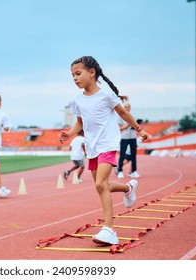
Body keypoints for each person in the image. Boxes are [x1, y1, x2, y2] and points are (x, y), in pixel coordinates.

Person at [59, 56, 149, 245]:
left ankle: (109, 230)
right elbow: (79, 123)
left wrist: (139, 129)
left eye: (78, 73)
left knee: (101, 184)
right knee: (103, 186)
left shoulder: (107, 96)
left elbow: (123, 113)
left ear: (92, 72)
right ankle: (128, 187)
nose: (75, 78)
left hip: (108, 144)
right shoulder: (77, 101)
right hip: (92, 148)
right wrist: (69, 134)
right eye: (72, 76)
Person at [117, 102, 141, 179]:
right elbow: (119, 129)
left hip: (133, 137)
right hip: (124, 137)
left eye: (128, 107)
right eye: (126, 107)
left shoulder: (134, 117)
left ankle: (134, 171)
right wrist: (127, 126)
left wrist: (135, 125)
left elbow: (137, 126)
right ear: (123, 108)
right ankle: (120, 171)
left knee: (134, 155)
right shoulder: (120, 117)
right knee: (122, 155)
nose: (127, 108)